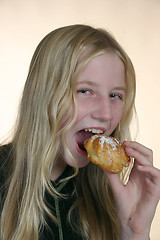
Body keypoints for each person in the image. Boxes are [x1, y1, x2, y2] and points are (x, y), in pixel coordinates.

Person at [0, 24, 160, 240]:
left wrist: (134, 231)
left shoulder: (109, 194)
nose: (105, 114)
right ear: (44, 94)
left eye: (115, 95)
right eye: (85, 91)